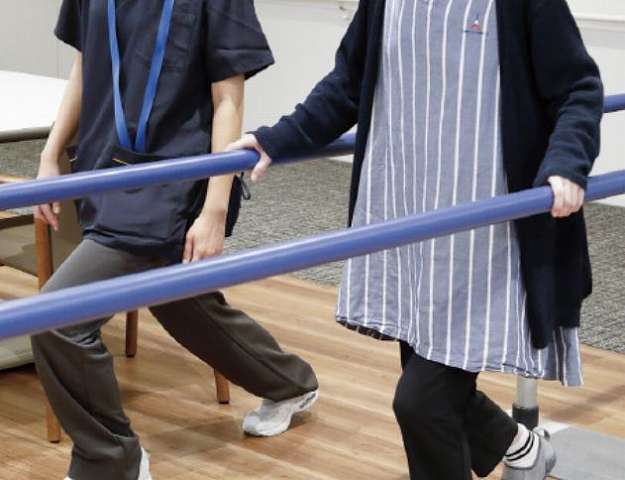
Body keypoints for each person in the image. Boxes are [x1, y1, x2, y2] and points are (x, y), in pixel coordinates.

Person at [229, 0, 603, 479]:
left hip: (486, 237)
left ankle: (521, 450)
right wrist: (278, 138)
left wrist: (567, 163)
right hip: (409, 228)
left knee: (421, 402)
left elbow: (578, 88)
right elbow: (349, 83)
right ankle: (521, 448)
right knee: (436, 391)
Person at [32, 1, 318, 479]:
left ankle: (112, 460)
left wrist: (215, 207)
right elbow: (85, 64)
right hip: (105, 169)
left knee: (55, 320)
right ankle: (291, 382)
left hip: (173, 181)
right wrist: (49, 154)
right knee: (178, 298)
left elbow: (228, 99)